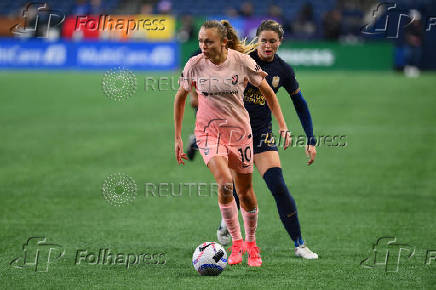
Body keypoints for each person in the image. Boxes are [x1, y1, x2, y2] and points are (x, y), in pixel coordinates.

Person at [174, 20, 291, 267]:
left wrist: (282, 125)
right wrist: (177, 137)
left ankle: (251, 243)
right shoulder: (194, 64)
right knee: (225, 183)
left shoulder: (242, 61)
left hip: (239, 134)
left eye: (208, 41)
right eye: (200, 41)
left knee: (246, 193)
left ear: (223, 42)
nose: (203, 46)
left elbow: (268, 92)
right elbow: (180, 97)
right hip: (208, 134)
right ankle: (236, 242)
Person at [215, 19, 319, 259]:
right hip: (233, 134)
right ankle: (230, 227)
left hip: (262, 134)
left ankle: (299, 244)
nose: (268, 45)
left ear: (280, 42)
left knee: (279, 187)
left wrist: (310, 140)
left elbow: (300, 106)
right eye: (264, 40)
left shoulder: (283, 71)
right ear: (257, 39)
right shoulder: (242, 58)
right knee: (238, 191)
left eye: (273, 41)